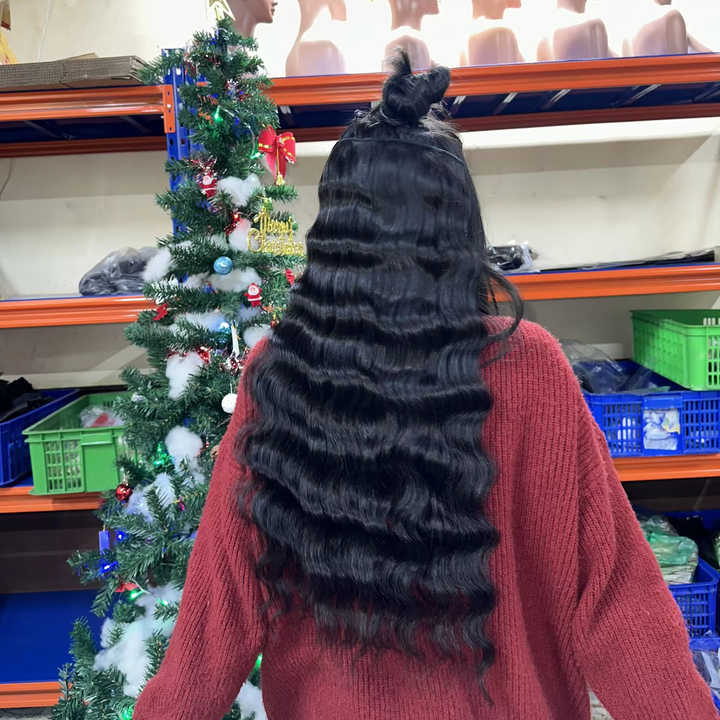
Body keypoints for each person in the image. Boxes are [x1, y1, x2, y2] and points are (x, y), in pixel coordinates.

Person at [133, 53, 717, 719]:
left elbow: (219, 615)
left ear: (334, 237)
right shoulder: (529, 367)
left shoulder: (280, 372)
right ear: (461, 228)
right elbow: (615, 602)